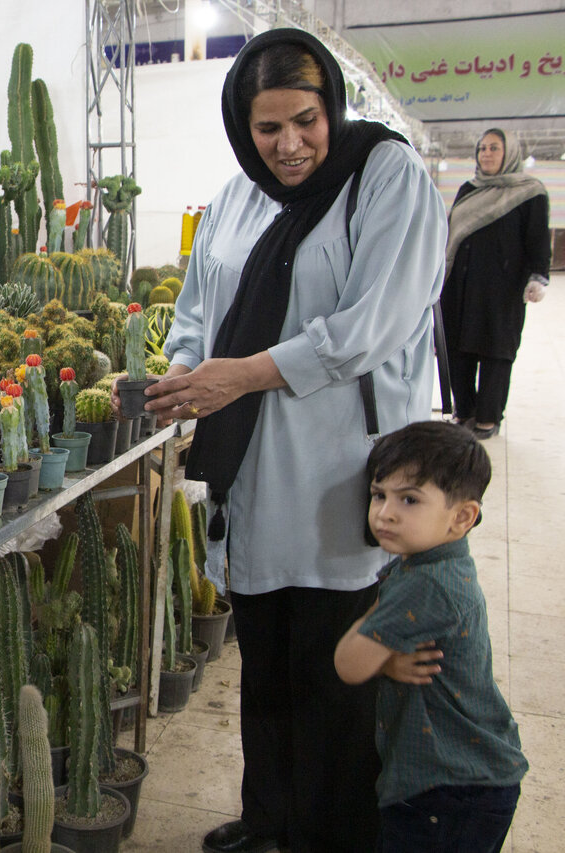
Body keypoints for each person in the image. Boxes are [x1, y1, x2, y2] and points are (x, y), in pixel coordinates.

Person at [141, 29, 448, 853]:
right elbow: (198, 309)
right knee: (267, 664)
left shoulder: (385, 179)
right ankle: (269, 818)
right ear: (244, 128)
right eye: (267, 127)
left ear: (331, 108)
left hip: (340, 469)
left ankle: (331, 833)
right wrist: (182, 373)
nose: (289, 145)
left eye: (305, 121)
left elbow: (367, 327)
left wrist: (239, 377)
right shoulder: (237, 198)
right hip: (253, 469)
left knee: (336, 668)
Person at [335, 421, 526, 852]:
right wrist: (388, 657)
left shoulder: (427, 584)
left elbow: (348, 663)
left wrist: (380, 656)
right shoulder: (431, 562)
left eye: (409, 499)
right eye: (379, 494)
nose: (385, 513)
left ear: (462, 517)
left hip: (449, 790)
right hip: (469, 779)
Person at [440, 129, 551, 439]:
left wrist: (538, 276)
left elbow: (538, 239)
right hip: (461, 286)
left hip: (502, 290)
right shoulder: (469, 189)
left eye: (494, 148)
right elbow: (452, 234)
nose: (486, 154)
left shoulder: (530, 192)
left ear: (510, 153)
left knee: (496, 351)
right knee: (457, 348)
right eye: (482, 148)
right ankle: (464, 411)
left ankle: (488, 418)